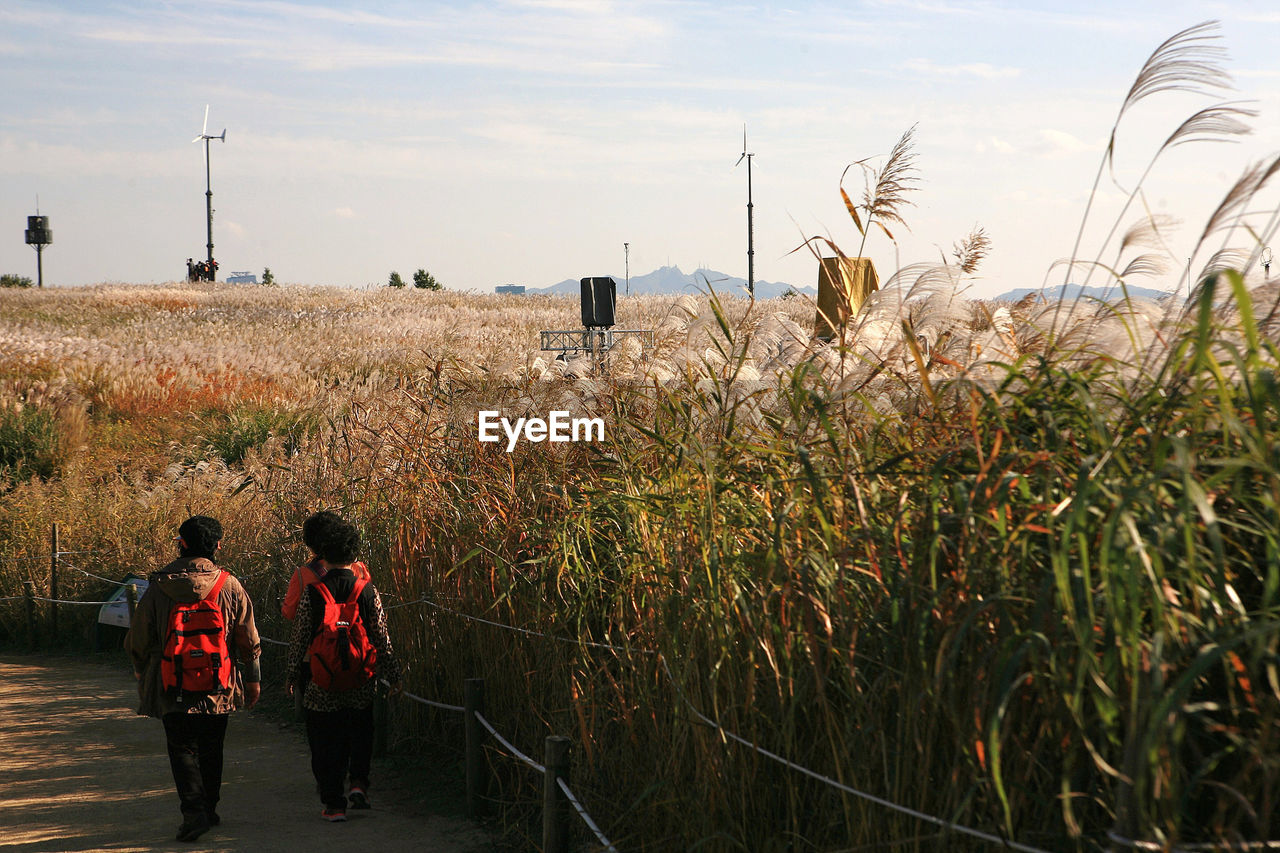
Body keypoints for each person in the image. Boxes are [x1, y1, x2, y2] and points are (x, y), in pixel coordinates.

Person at [125, 515, 262, 843]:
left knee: (181, 746)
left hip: (172, 682)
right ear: (217, 546)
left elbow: (139, 638)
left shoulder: (159, 586)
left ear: (181, 544)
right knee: (213, 746)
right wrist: (253, 679)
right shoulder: (229, 584)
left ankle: (193, 810)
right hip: (219, 681)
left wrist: (141, 669)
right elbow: (248, 637)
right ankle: (210, 808)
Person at [286, 511, 402, 822]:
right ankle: (359, 785)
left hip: (322, 680)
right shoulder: (366, 589)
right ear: (354, 552)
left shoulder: (313, 591)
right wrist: (394, 674)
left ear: (323, 553)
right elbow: (381, 636)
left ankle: (333, 802)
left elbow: (299, 637)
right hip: (360, 679)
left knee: (324, 739)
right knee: (360, 731)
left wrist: (292, 674)